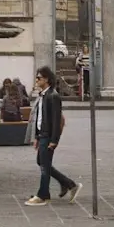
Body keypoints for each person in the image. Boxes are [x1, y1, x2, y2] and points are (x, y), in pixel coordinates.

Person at [25, 66, 81, 207]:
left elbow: (56, 120)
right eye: (36, 78)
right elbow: (40, 118)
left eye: (39, 78)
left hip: (48, 136)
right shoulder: (43, 95)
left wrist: (54, 140)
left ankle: (43, 195)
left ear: (47, 79)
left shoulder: (53, 96)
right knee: (42, 162)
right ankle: (68, 184)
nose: (37, 80)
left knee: (44, 165)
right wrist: (37, 137)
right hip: (42, 135)